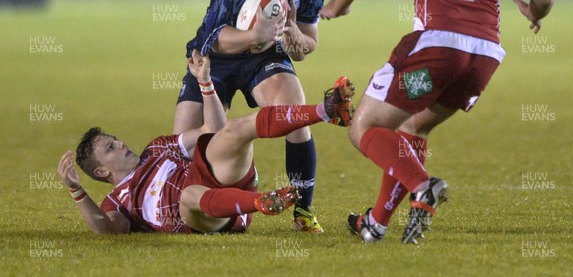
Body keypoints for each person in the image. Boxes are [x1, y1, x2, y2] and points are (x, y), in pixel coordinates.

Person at [320, 0, 555, 244]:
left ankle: (422, 186)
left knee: (364, 128)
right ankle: (375, 224)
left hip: (436, 52)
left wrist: (337, 6)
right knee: (413, 128)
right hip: (483, 59)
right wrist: (534, 13)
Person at [57, 51, 354, 234]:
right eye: (110, 148)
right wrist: (76, 190)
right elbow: (107, 230)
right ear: (102, 172)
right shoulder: (118, 202)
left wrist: (205, 83)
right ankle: (260, 202)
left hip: (212, 174)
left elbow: (213, 129)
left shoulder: (158, 147)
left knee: (237, 127)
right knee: (189, 196)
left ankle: (326, 111)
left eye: (115, 139)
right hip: (200, 216)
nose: (120, 144)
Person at [175, 0, 327, 232]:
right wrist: (254, 36)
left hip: (265, 58)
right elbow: (214, 36)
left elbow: (307, 43)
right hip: (215, 59)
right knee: (188, 146)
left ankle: (303, 210)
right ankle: (201, 208)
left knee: (294, 118)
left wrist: (294, 37)